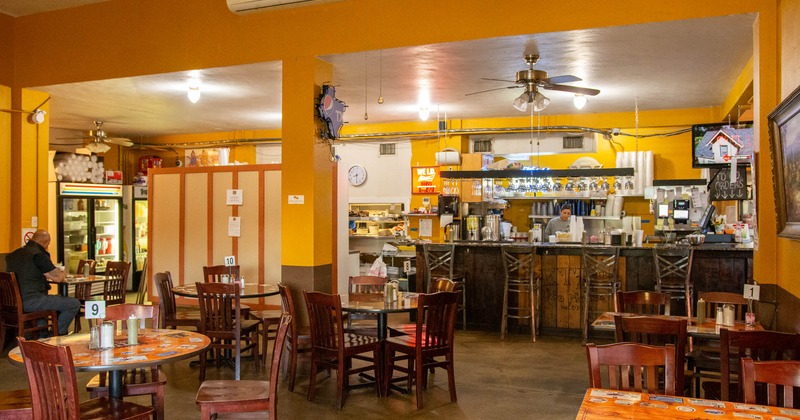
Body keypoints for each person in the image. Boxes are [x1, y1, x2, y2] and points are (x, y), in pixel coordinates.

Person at [6, 230, 80, 336]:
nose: (48, 247)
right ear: (45, 242)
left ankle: (43, 336)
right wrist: (64, 272)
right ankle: (54, 336)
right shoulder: (38, 255)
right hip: (31, 301)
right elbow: (58, 279)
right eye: (48, 244)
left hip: (12, 303)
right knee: (73, 304)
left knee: (47, 300)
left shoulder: (13, 255)